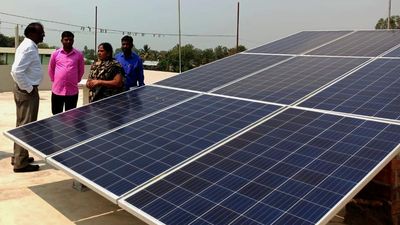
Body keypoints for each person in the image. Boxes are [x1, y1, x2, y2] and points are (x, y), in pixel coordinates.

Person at [10, 22, 45, 172]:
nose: (43, 35)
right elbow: (16, 71)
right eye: (41, 32)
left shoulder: (27, 46)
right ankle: (21, 162)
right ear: (32, 33)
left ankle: (19, 155)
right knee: (26, 127)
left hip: (23, 90)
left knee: (21, 125)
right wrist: (29, 89)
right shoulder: (28, 47)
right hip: (27, 92)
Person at [48, 31, 85, 115]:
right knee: (56, 115)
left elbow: (81, 70)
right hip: (57, 90)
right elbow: (51, 69)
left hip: (72, 91)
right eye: (66, 40)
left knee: (71, 117)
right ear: (61, 41)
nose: (68, 42)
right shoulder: (55, 54)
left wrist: (76, 80)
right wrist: (56, 81)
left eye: (70, 40)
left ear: (73, 41)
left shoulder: (79, 55)